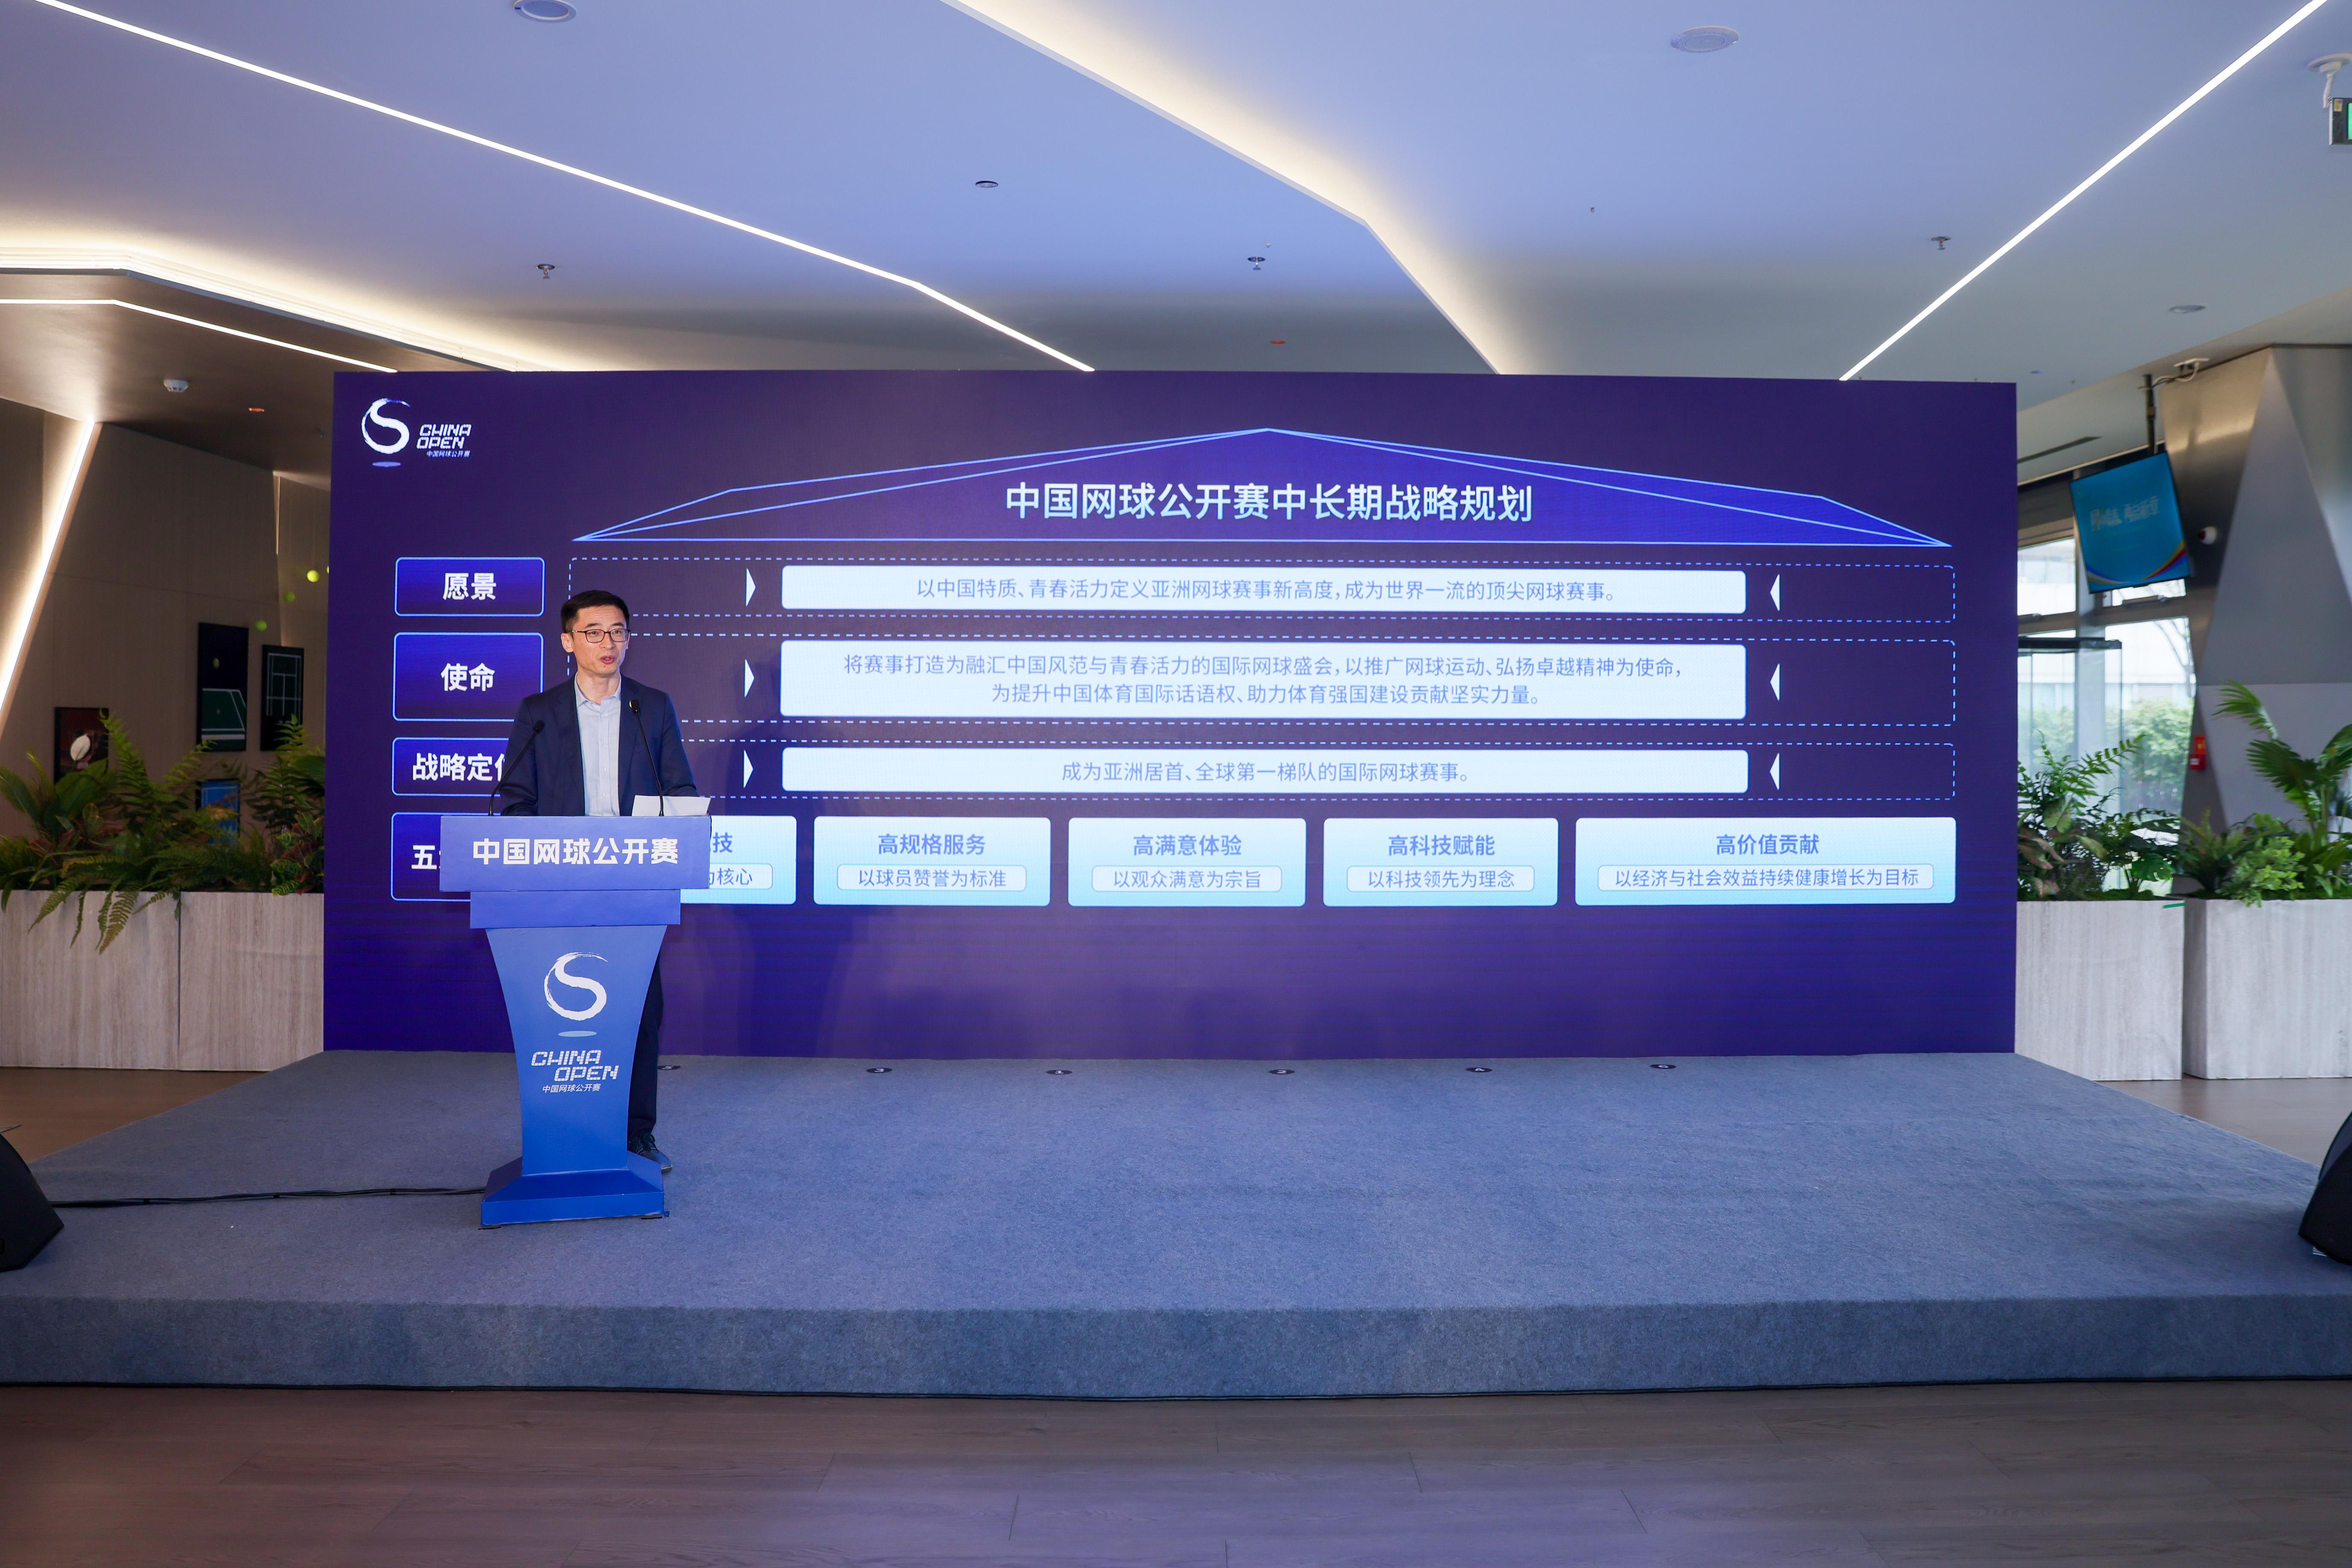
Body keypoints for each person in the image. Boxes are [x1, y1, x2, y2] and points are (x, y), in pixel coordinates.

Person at [495, 589, 696, 1174]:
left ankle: (637, 1133)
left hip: (632, 883)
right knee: (558, 1009)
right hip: (560, 882)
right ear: (568, 641)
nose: (608, 643)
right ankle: (563, 1132)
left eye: (617, 631)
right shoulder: (539, 712)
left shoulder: (651, 707)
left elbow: (680, 790)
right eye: (593, 632)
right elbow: (515, 800)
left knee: (639, 1008)